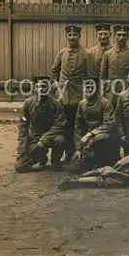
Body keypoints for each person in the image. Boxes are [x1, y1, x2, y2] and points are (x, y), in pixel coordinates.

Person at [50, 25, 92, 164]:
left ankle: (77, 153)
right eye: (69, 35)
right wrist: (57, 86)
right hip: (63, 96)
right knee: (65, 126)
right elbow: (53, 72)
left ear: (80, 37)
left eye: (75, 35)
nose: (72, 37)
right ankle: (66, 154)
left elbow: (90, 76)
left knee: (78, 126)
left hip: (79, 95)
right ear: (66, 37)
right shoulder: (61, 53)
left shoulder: (86, 54)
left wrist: (86, 94)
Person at [15, 76, 66, 172]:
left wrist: (44, 140)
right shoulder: (28, 103)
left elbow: (59, 125)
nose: (40, 89)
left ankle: (55, 160)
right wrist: (21, 151)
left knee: (60, 140)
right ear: (34, 88)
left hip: (51, 136)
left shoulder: (56, 104)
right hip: (35, 138)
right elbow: (23, 128)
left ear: (49, 88)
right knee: (19, 166)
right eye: (37, 86)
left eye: (44, 86)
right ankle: (41, 158)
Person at [71, 76, 119, 174]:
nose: (89, 89)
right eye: (87, 87)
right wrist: (78, 149)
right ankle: (90, 160)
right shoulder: (82, 104)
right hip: (88, 140)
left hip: (105, 137)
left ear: (96, 88)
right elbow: (78, 127)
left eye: (92, 86)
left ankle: (102, 162)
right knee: (76, 168)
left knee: (99, 139)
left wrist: (90, 135)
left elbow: (109, 124)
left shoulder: (105, 103)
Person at [100, 24, 129, 107]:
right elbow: (103, 76)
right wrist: (102, 93)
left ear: (128, 36)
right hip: (111, 91)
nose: (121, 37)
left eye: (124, 35)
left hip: (127, 89)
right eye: (119, 35)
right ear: (114, 36)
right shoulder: (108, 54)